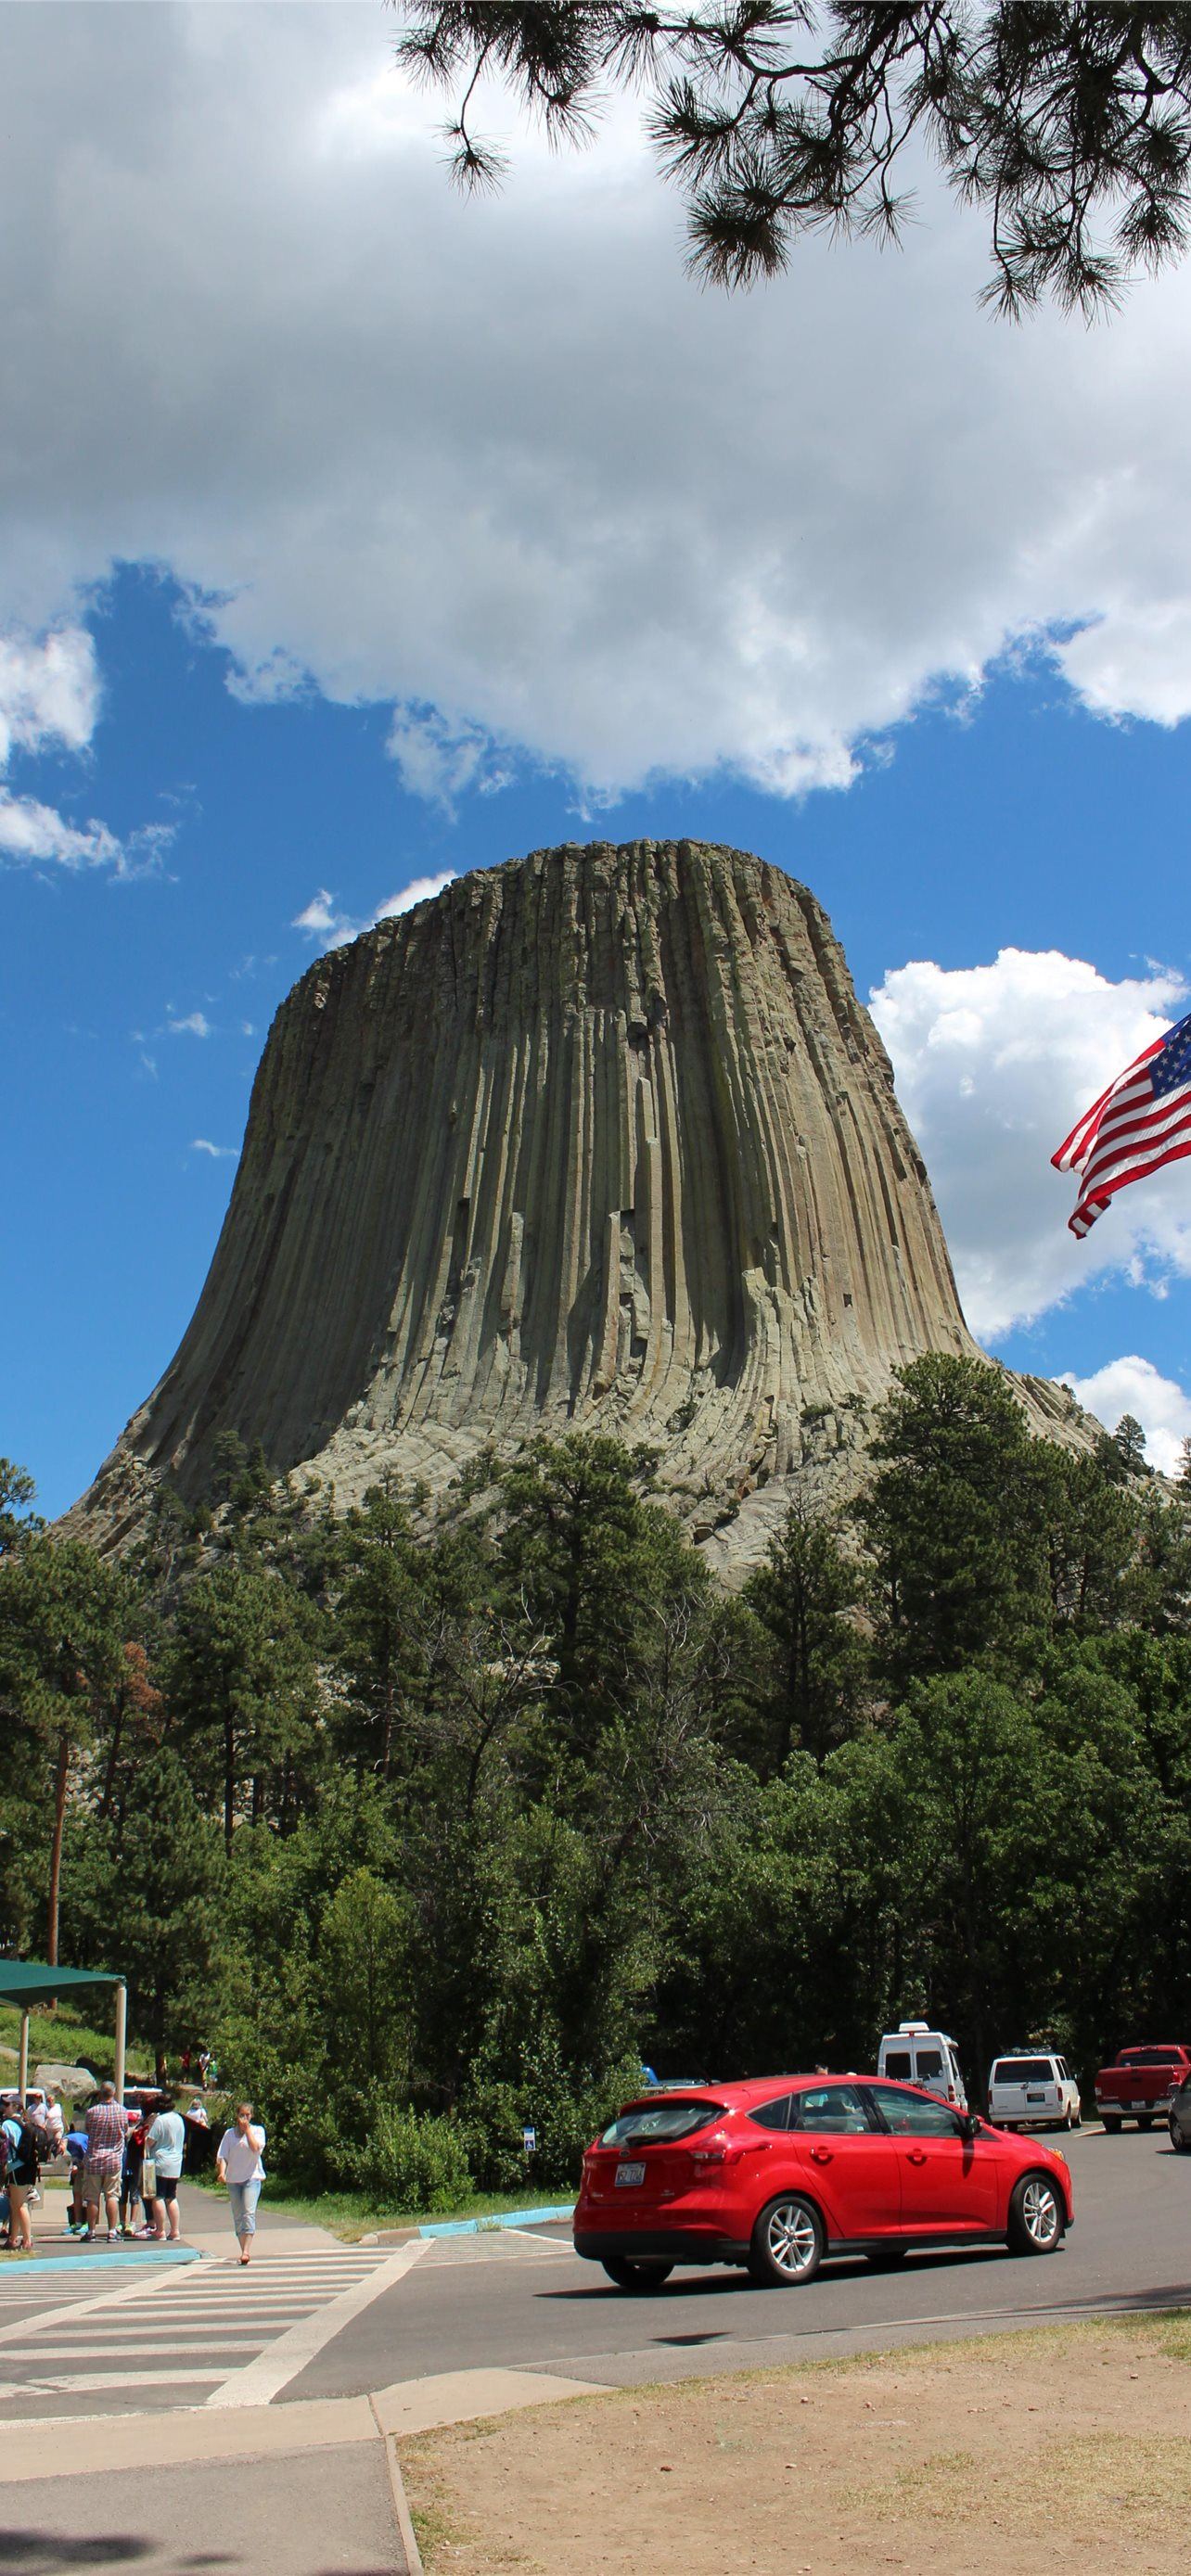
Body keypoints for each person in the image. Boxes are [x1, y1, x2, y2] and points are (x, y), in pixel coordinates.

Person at [216, 2102, 266, 2264]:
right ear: (237, 2116)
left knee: (248, 2213)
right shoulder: (229, 2134)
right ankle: (242, 2248)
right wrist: (222, 2173)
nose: (244, 2118)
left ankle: (246, 2251)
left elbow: (255, 2148)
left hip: (252, 2177)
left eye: (248, 2115)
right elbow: (223, 2155)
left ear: (251, 2116)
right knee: (238, 2215)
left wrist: (248, 2131)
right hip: (233, 2179)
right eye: (241, 2115)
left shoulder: (258, 2131)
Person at [83, 2081, 132, 2244]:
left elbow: (88, 2130)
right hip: (114, 2159)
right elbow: (125, 2130)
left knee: (92, 2197)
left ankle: (91, 2231)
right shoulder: (122, 2111)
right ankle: (111, 2231)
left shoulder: (92, 2112)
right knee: (112, 2196)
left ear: (100, 2093)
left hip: (94, 2158)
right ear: (114, 2092)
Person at [145, 2094, 186, 2241]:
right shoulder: (179, 2119)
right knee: (171, 2196)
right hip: (176, 2162)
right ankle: (175, 2230)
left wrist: (146, 2131)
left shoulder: (160, 2120)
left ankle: (160, 2230)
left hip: (161, 2161)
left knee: (158, 2196)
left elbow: (150, 2141)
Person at [3, 2096, 40, 2254]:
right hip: (27, 2167)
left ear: (15, 2107)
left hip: (15, 2166)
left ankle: (26, 2240)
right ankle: (12, 2239)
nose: (4, 2107)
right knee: (15, 2204)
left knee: (20, 2204)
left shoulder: (7, 2124)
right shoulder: (26, 2123)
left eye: (7, 2105)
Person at [119, 2107, 147, 2238]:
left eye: (132, 2122)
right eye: (128, 2122)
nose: (130, 2125)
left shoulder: (138, 2136)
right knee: (121, 2196)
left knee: (134, 2197)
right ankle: (121, 2222)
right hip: (123, 2169)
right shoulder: (121, 2138)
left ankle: (132, 2223)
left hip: (135, 2169)